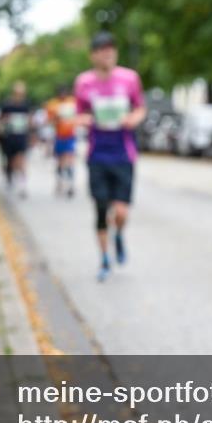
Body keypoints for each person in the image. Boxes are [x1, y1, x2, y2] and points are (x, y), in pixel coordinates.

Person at [74, 31, 145, 282]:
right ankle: (104, 259)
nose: (108, 53)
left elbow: (140, 108)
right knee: (101, 208)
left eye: (112, 49)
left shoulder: (130, 79)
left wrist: (132, 119)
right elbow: (79, 113)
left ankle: (119, 235)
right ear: (93, 55)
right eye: (103, 50)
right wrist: (87, 120)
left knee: (121, 212)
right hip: (97, 154)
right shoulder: (83, 82)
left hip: (124, 153)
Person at [0, 82, 32, 197]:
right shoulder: (7, 105)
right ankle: (9, 177)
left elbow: (30, 121)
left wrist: (32, 133)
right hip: (8, 137)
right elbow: (0, 121)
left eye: (21, 93)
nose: (19, 95)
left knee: (21, 160)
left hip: (21, 137)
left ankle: (22, 185)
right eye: (17, 93)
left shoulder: (25, 105)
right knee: (10, 161)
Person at [46, 84, 79, 197]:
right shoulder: (52, 105)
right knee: (60, 161)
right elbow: (49, 122)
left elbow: (78, 116)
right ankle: (60, 182)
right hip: (59, 136)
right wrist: (56, 119)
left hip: (70, 135)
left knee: (70, 159)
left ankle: (70, 184)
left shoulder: (73, 102)